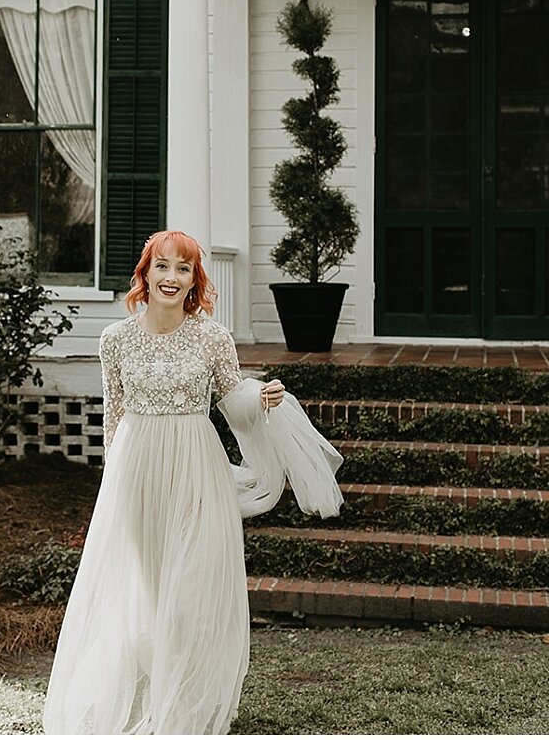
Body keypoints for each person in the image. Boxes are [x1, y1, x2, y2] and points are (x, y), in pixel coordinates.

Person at [43, 230, 344, 735]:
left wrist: (261, 398)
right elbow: (113, 416)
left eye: (183, 269)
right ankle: (151, 696)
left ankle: (183, 706)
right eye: (162, 266)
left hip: (196, 469)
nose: (171, 277)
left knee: (189, 592)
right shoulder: (115, 340)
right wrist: (114, 482)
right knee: (147, 588)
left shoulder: (211, 337)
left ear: (194, 280)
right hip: (136, 474)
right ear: (145, 274)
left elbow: (233, 398)